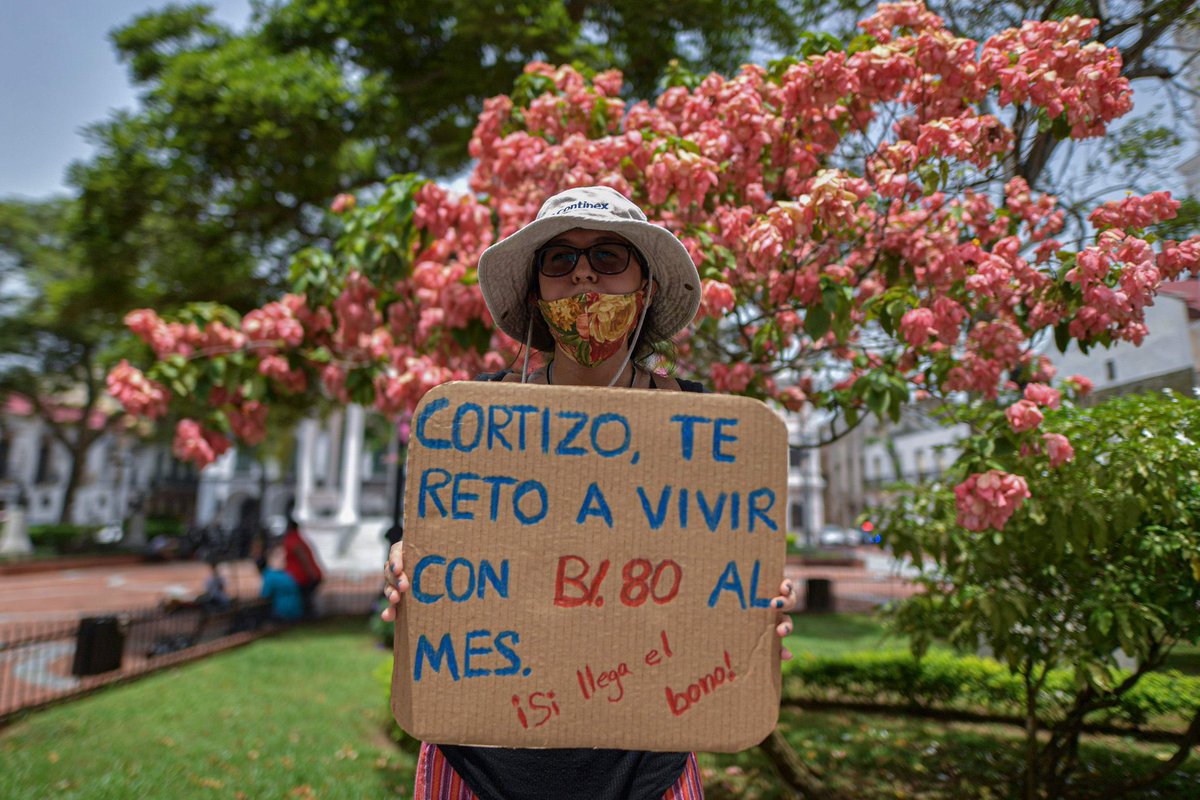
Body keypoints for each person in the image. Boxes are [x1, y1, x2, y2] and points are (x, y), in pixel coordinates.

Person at [380, 185, 799, 800]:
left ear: (645, 286)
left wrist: (758, 606)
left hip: (646, 770)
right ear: (535, 292)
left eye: (608, 257)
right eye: (559, 260)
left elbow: (719, 567)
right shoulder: (477, 422)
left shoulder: (705, 429)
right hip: (479, 761)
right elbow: (432, 543)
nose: (583, 276)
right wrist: (402, 569)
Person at [282, 513, 323, 619]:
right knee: (305, 599)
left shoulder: (293, 540)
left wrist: (311, 574)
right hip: (302, 576)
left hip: (303, 576)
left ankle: (306, 617)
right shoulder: (298, 539)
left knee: (305, 599)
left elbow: (303, 558)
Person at [260, 545, 304, 622]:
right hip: (284, 613)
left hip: (293, 611)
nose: (284, 560)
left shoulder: (284, 573)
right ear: (272, 559)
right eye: (281, 558)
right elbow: (265, 594)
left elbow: (265, 594)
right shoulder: (271, 575)